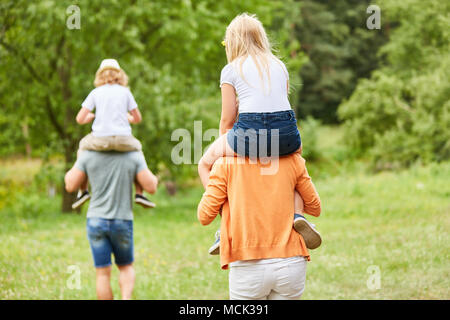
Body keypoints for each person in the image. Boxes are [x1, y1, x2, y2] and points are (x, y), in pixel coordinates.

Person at [197, 13, 320, 253]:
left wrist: (225, 145)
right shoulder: (279, 65)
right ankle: (298, 214)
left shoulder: (231, 69)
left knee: (205, 163)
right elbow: (280, 102)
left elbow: (227, 118)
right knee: (295, 162)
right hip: (286, 131)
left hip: (250, 129)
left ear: (232, 42)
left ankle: (225, 227)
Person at [197, 153, 321, 300]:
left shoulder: (225, 164)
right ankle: (298, 216)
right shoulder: (293, 159)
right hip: (291, 262)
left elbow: (204, 216)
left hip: (247, 264)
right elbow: (315, 207)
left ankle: (224, 232)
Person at [65, 150, 158, 300]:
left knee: (102, 273)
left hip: (95, 220)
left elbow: (69, 185)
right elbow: (152, 187)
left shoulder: (88, 154)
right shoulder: (133, 154)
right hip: (122, 220)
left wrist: (80, 158)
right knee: (126, 267)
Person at [72, 58, 155, 210]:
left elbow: (79, 118)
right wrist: (127, 118)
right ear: (120, 75)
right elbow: (137, 118)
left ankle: (83, 190)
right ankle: (139, 192)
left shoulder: (95, 93)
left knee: (82, 146)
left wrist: (91, 117)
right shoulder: (126, 92)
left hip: (100, 139)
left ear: (100, 76)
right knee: (137, 149)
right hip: (124, 139)